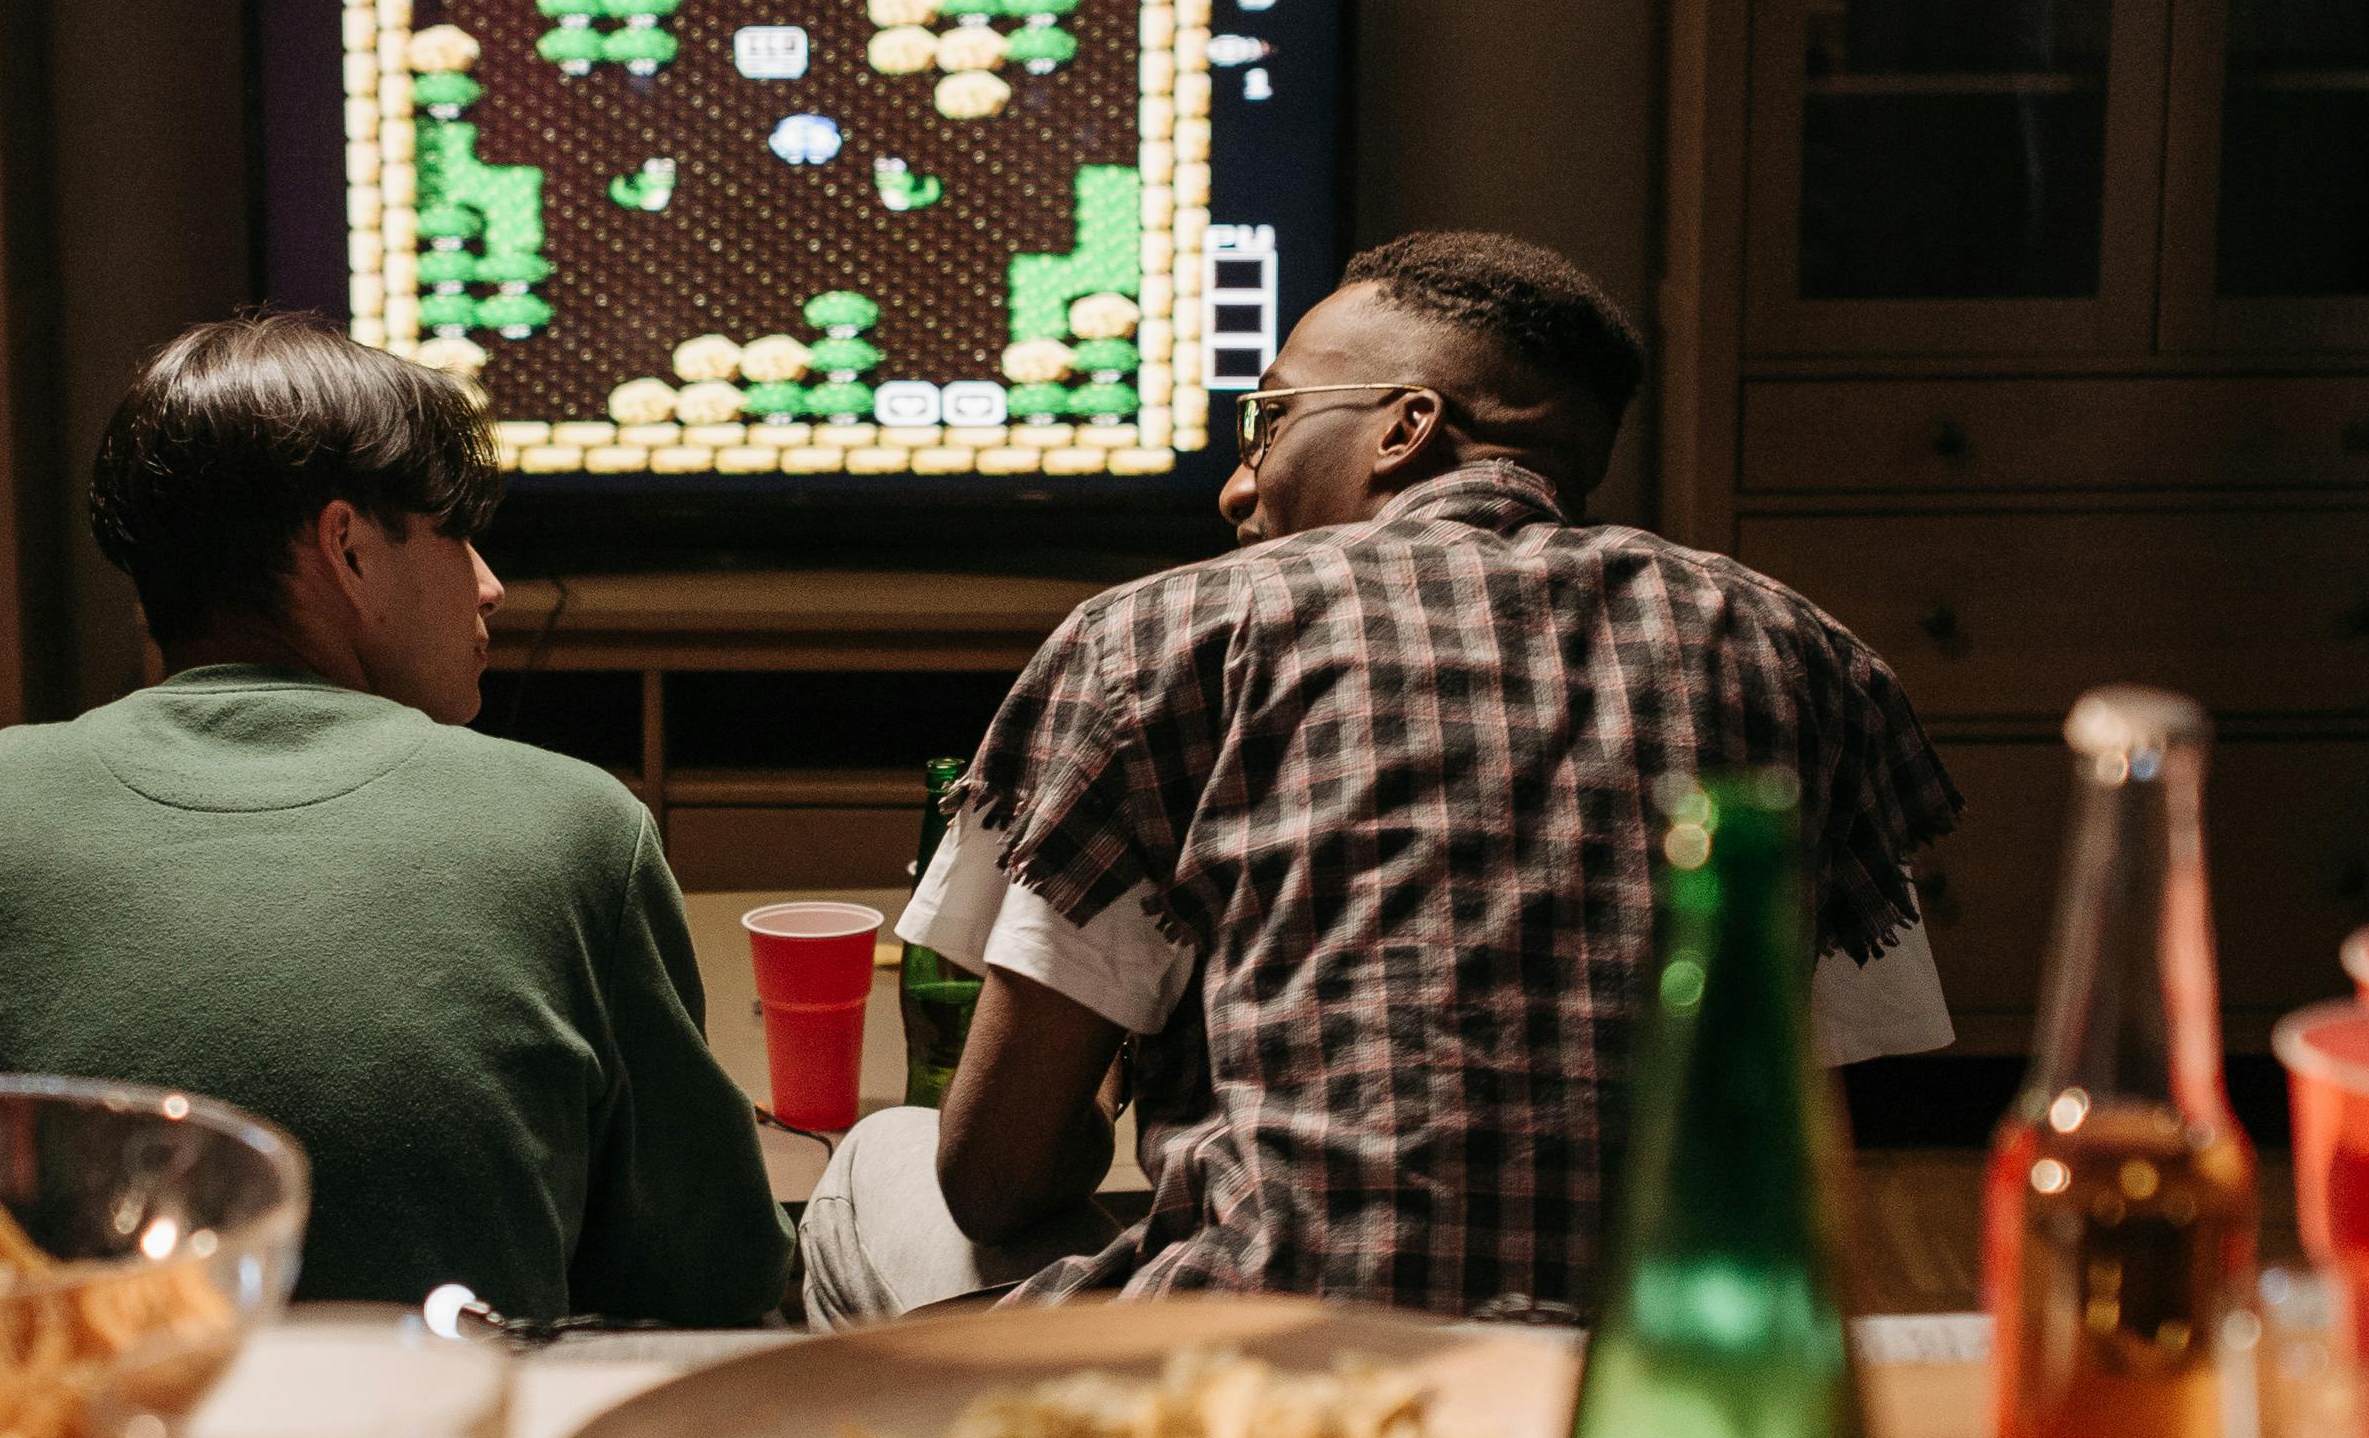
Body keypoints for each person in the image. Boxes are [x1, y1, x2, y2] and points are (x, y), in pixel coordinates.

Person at [800, 230, 1959, 1321]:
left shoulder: (1168, 634)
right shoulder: (1797, 653)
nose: (1235, 486)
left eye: (1265, 422)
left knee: (872, 1167)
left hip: (1271, 1378)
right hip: (1656, 1374)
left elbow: (992, 1178)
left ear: (1405, 427)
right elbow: (1807, 1145)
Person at [0, 315, 785, 1327]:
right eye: (452, 532)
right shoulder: (577, 829)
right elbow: (711, 1282)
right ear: (346, 548)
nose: (490, 586)